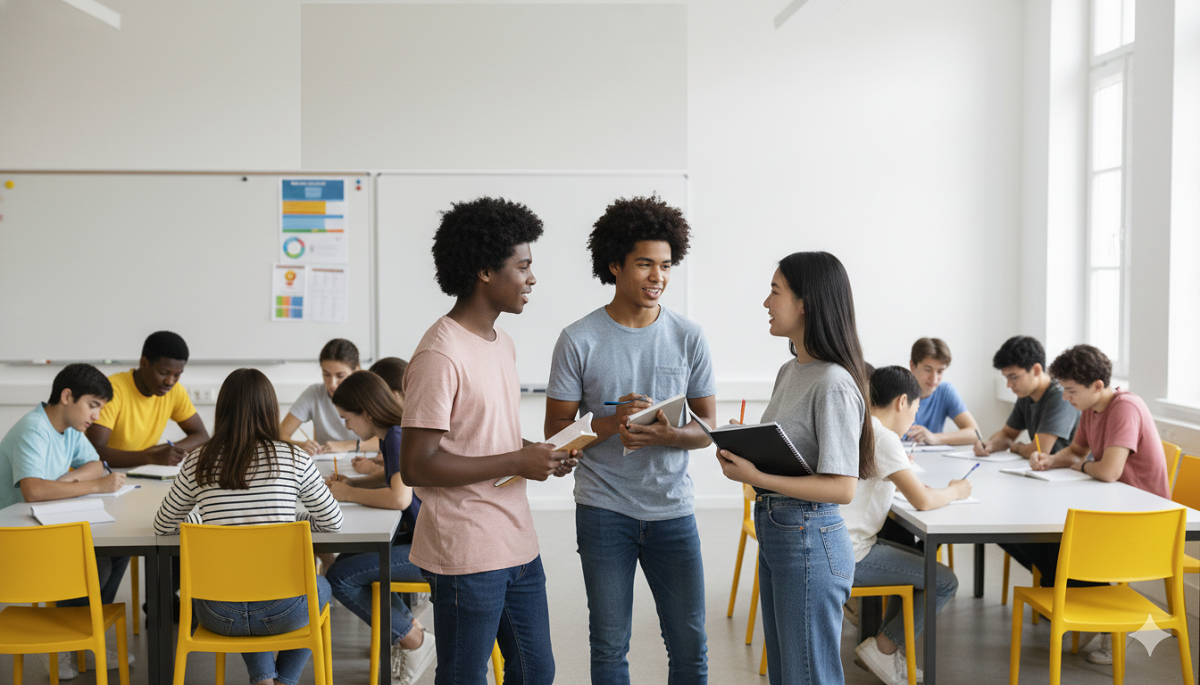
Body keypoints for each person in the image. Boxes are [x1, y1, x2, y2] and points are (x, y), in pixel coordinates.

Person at [399, 197, 577, 685]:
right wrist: (518, 459)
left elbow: (483, 435)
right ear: (483, 271)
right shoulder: (440, 355)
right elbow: (417, 465)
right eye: (523, 266)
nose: (532, 279)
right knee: (464, 676)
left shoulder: (501, 344)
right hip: (465, 550)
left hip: (516, 543)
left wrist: (539, 455)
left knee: (536, 671)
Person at [544, 195, 717, 684]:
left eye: (666, 265)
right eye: (644, 264)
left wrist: (668, 433)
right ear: (615, 265)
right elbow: (556, 435)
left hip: (672, 509)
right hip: (603, 510)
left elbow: (707, 427)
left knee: (690, 645)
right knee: (608, 645)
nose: (657, 276)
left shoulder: (689, 336)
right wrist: (610, 422)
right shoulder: (578, 338)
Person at [715, 251, 873, 685]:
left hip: (808, 537)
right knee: (788, 675)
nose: (766, 303)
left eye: (775, 292)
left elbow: (842, 488)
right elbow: (795, 451)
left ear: (806, 303)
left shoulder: (833, 383)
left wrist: (756, 477)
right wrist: (746, 443)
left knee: (806, 675)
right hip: (781, 531)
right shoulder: (791, 370)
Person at [153, 368, 343, 685]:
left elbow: (163, 525)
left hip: (216, 613)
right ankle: (284, 680)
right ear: (271, 410)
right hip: (284, 611)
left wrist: (202, 523)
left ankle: (263, 679)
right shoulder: (294, 458)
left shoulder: (198, 460)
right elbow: (332, 522)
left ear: (222, 409)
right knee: (321, 586)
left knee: (241, 581)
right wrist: (294, 521)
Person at [1008, 344, 1170, 666]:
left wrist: (1079, 466)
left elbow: (1108, 471)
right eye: (1064, 390)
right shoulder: (1090, 408)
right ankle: (1083, 608)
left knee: (1056, 546)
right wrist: (1050, 460)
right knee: (1022, 538)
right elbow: (1077, 451)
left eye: (1071, 391)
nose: (1066, 398)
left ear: (1097, 386)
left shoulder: (1125, 408)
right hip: (1112, 509)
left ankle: (1102, 618)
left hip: (1142, 521)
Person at [0, 363, 132, 679]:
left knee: (119, 553)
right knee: (96, 565)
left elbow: (96, 464)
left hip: (42, 528)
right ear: (67, 396)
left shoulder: (69, 429)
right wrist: (94, 487)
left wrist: (67, 482)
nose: (96, 416)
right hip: (16, 540)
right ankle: (63, 644)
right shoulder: (34, 428)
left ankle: (85, 638)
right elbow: (33, 490)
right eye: (93, 405)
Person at [848, 366, 970, 685]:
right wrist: (956, 491)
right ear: (902, 401)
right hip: (852, 555)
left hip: (838, 543)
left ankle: (885, 649)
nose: (913, 418)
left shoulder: (860, 425)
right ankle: (884, 649)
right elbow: (923, 502)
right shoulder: (884, 438)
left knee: (916, 564)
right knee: (942, 580)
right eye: (915, 410)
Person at [324, 370, 433, 685]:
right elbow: (393, 479)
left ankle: (413, 640)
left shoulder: (396, 436)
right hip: (423, 538)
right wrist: (352, 483)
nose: (347, 426)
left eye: (347, 419)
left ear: (366, 413)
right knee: (348, 560)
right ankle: (412, 630)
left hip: (432, 549)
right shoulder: (393, 434)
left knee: (339, 576)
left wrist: (347, 494)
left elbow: (399, 497)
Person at [86, 331, 209, 466]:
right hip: (103, 472)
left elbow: (202, 436)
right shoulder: (113, 390)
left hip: (141, 470)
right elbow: (96, 451)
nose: (170, 381)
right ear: (144, 363)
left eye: (177, 375)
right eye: (163, 373)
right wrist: (151, 457)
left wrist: (170, 451)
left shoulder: (175, 391)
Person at [974, 336, 1079, 458]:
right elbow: (1007, 434)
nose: (1009, 385)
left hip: (1069, 469)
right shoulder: (1026, 394)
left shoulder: (1061, 395)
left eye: (1014, 377)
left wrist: (1017, 447)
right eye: (1006, 378)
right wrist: (990, 445)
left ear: (1036, 370)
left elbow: (1039, 450)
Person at [280, 338, 379, 455]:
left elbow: (390, 437)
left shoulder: (372, 393)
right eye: (326, 374)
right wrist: (301, 445)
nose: (332, 384)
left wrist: (349, 445)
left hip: (367, 463)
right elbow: (280, 435)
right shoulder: (314, 393)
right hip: (327, 463)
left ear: (357, 370)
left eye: (340, 376)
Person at [904, 338, 979, 446]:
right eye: (928, 370)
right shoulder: (897, 390)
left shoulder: (945, 391)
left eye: (940, 371)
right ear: (912, 366)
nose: (934, 378)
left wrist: (934, 438)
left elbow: (975, 433)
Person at [352, 357, 409, 477]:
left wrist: (373, 470)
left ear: (395, 395)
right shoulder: (389, 432)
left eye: (374, 398)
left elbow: (401, 488)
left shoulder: (397, 434)